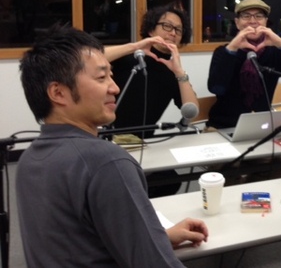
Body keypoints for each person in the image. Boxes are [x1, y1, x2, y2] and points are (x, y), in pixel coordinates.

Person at [16, 25, 209, 268]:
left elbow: (77, 242)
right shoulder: (106, 162)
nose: (114, 87)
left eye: (111, 76)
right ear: (58, 92)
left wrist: (159, 237)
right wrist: (151, 246)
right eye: (101, 78)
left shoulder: (28, 160)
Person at [106, 2, 199, 197]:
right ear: (150, 29)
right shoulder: (130, 57)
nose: (172, 33)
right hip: (109, 139)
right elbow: (85, 59)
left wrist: (180, 73)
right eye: (167, 26)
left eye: (178, 30)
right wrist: (135, 46)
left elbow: (192, 111)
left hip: (143, 143)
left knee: (169, 181)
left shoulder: (171, 70)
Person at [207, 0, 281, 129]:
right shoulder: (224, 52)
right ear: (237, 23)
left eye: (259, 16)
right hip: (224, 125)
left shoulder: (274, 52)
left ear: (265, 22)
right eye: (246, 16)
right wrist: (232, 48)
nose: (253, 21)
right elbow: (216, 88)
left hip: (262, 124)